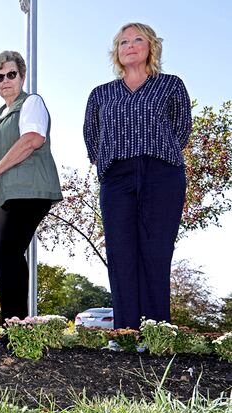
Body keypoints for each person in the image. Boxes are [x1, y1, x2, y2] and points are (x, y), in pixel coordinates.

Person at [83, 23, 191, 329]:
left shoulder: (171, 85)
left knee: (156, 250)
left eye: (137, 39)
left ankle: (157, 332)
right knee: (120, 252)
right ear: (116, 52)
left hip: (161, 171)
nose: (130, 45)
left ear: (151, 47)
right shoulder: (101, 94)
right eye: (123, 42)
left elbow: (181, 129)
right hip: (116, 176)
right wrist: (106, 163)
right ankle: (127, 332)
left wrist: (156, 151)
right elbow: (92, 135)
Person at [0, 50, 62, 321]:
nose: (6, 81)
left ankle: (18, 326)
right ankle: (12, 326)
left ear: (21, 76)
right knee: (1, 258)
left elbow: (31, 140)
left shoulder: (31, 103)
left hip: (25, 190)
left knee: (8, 252)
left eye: (11, 74)